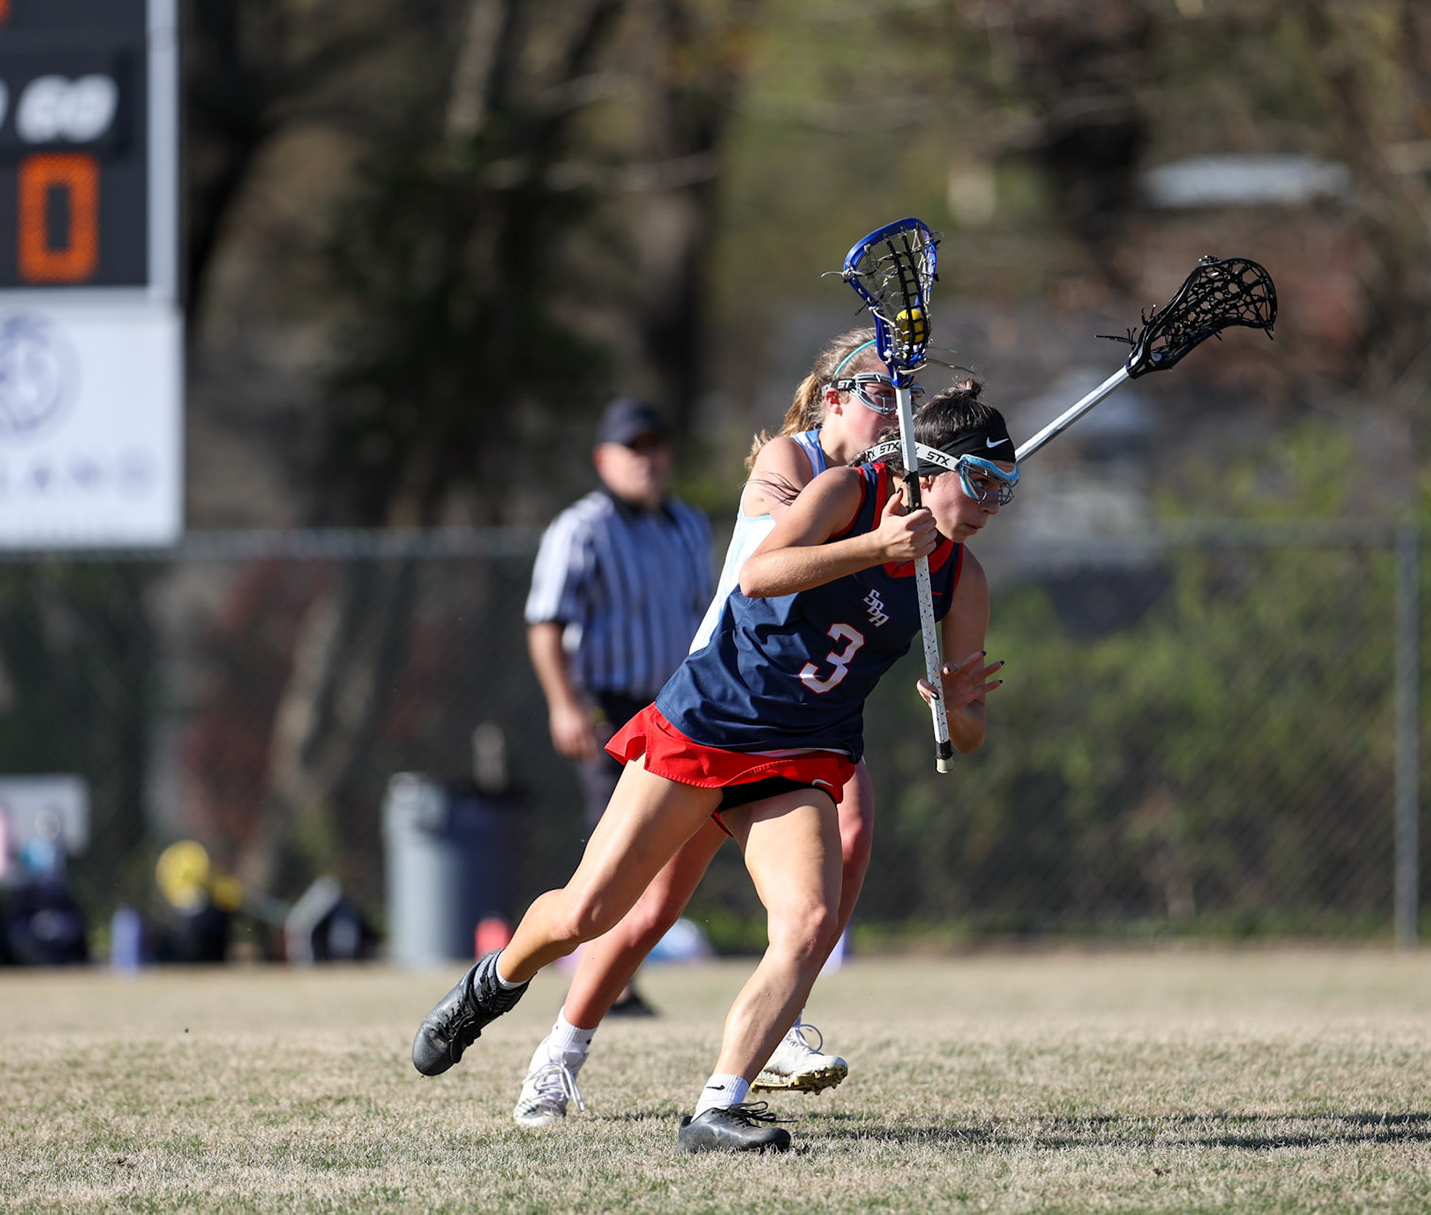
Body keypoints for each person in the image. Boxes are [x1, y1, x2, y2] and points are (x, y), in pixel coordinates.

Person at [414, 380, 1017, 1154]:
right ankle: (492, 982)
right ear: (928, 469)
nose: (990, 506)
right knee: (589, 914)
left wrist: (957, 704)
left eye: (1004, 490)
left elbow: (968, 735)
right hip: (712, 721)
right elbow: (759, 574)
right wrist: (876, 547)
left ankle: (717, 1108)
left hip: (800, 753)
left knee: (807, 924)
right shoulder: (844, 492)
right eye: (980, 483)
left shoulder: (960, 578)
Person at [510, 329, 903, 1127]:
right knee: (642, 911)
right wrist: (877, 541)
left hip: (808, 714)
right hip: (726, 710)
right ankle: (561, 1050)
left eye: (906, 400)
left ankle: (783, 1019)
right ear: (835, 398)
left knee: (852, 837)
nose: (897, 414)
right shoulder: (791, 467)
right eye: (880, 395)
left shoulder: (873, 485)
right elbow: (769, 576)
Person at [523, 396, 716, 1014]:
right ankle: (607, 980)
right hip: (608, 702)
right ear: (603, 458)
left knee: (669, 844)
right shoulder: (581, 528)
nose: (648, 459)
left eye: (656, 445)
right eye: (633, 448)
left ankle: (616, 969)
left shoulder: (689, 525)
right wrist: (563, 705)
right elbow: (546, 624)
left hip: (678, 703)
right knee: (617, 838)